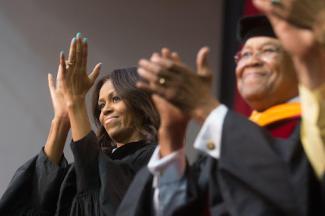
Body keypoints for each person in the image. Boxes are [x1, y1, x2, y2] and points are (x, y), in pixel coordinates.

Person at [117, 7, 325, 216]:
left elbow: (297, 194)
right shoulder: (223, 146)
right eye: (244, 54)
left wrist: (204, 106)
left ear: (299, 62)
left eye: (268, 50)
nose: (251, 61)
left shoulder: (315, 127)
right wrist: (172, 135)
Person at [0, 34, 159, 216]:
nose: (105, 111)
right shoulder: (82, 170)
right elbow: (32, 202)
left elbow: (100, 199)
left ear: (141, 104)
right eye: (101, 105)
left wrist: (76, 102)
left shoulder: (154, 161)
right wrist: (62, 119)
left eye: (115, 98)